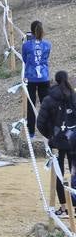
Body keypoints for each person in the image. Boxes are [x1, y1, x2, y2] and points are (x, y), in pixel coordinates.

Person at [37, 71, 76, 214]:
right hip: (73, 140)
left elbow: (40, 123)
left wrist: (50, 136)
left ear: (55, 80)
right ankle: (75, 206)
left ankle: (64, 207)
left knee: (59, 174)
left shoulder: (49, 99)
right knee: (74, 172)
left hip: (57, 142)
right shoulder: (74, 96)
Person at [22, 21, 51, 139]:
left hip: (31, 78)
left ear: (31, 31)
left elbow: (24, 59)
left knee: (31, 104)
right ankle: (48, 132)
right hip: (44, 78)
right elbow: (46, 57)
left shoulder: (26, 45)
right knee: (46, 106)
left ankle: (31, 132)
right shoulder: (48, 44)